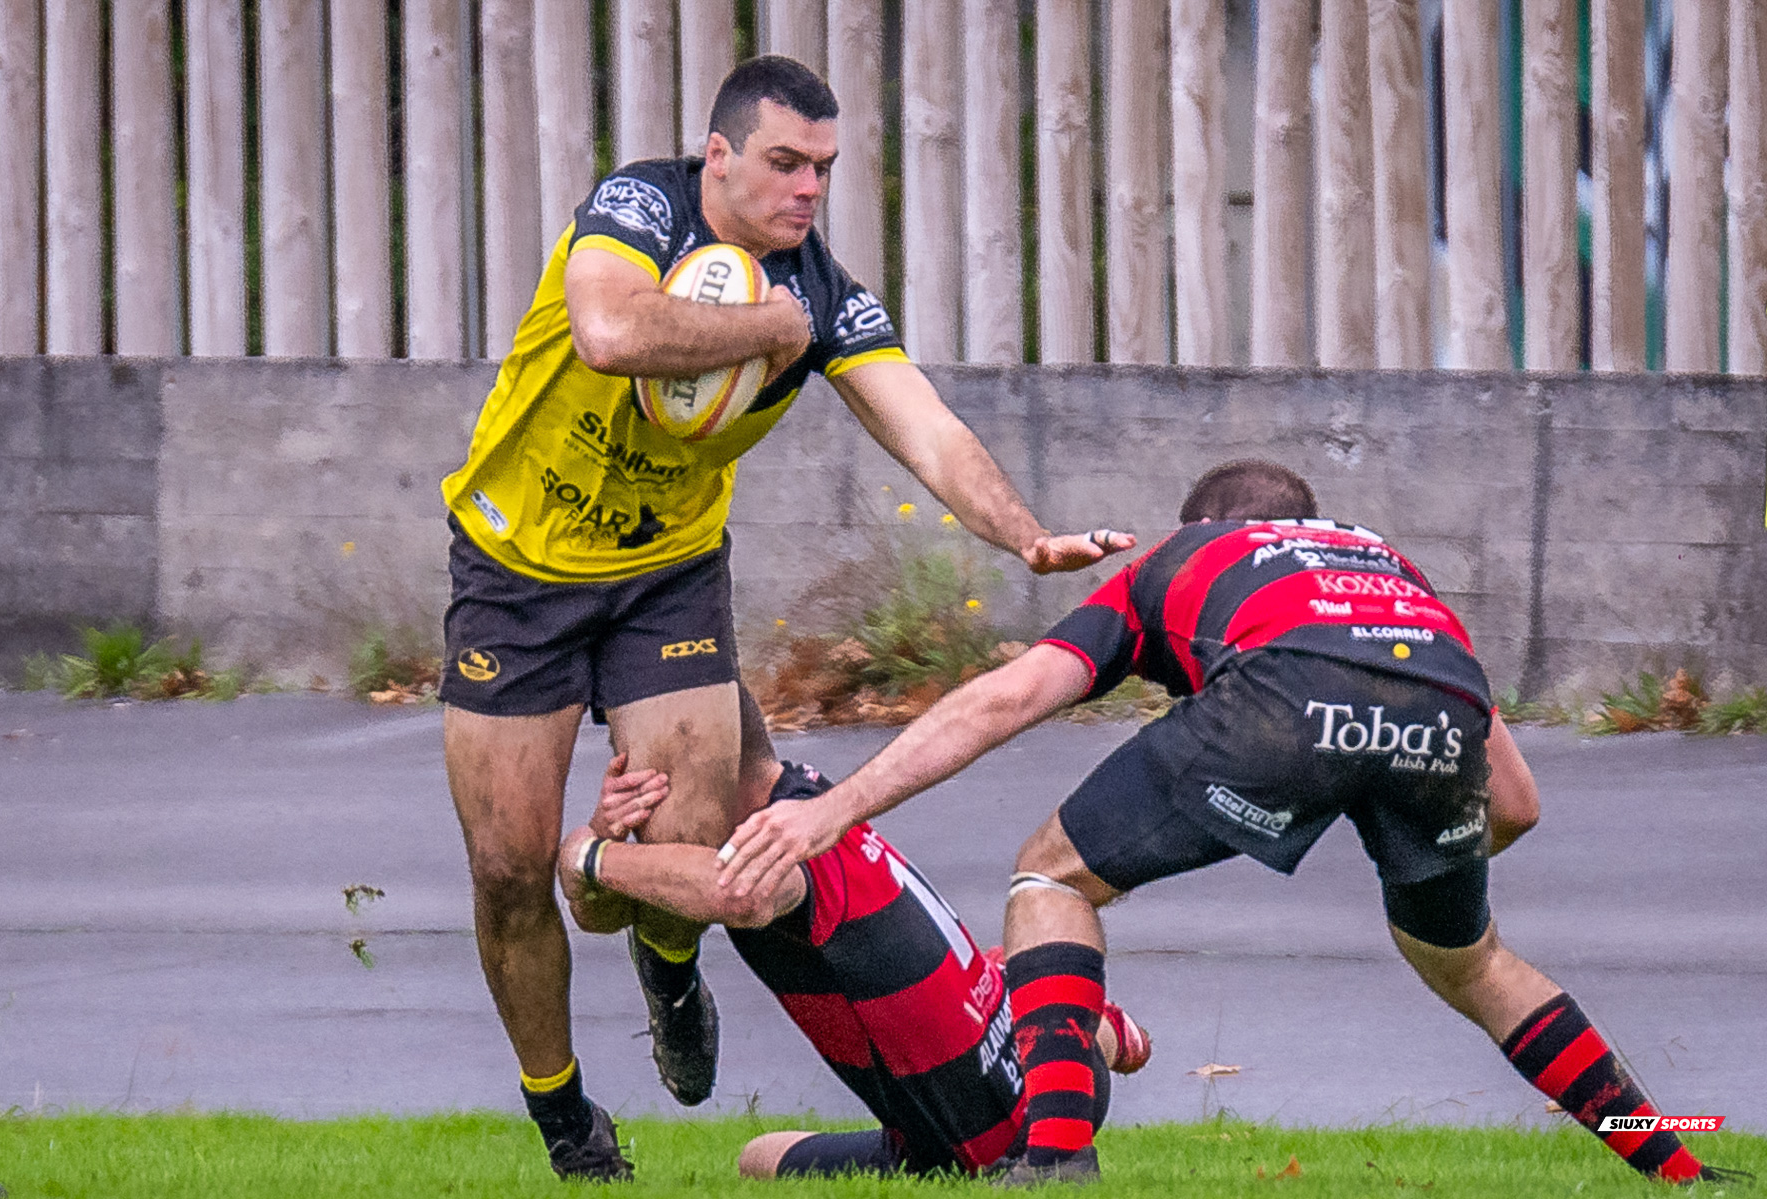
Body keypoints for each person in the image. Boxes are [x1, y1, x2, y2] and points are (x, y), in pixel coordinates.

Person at [436, 55, 1131, 1180]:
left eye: (824, 168)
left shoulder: (825, 295)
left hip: (665, 575)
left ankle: (670, 972)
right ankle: (564, 1115)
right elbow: (607, 330)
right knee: (509, 865)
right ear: (718, 157)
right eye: (785, 162)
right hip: (515, 570)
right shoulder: (641, 207)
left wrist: (1024, 534)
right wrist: (767, 324)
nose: (809, 189)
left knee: (693, 839)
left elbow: (927, 426)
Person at [717, 460, 1747, 1186]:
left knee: (1052, 876)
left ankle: (1055, 1161)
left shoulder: (1180, 559)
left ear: (1200, 524)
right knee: (1472, 960)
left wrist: (836, 807)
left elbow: (1007, 697)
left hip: (1283, 690)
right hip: (1433, 706)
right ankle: (1679, 1166)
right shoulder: (1389, 570)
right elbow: (1516, 804)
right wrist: (1405, 833)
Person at [558, 751, 1154, 1180]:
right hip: (948, 1117)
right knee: (756, 1158)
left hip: (996, 1131)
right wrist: (612, 828)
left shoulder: (781, 847)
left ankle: (1104, 1030)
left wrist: (587, 852)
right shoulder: (799, 798)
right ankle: (1106, 1030)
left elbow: (738, 895)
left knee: (1058, 1035)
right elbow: (606, 912)